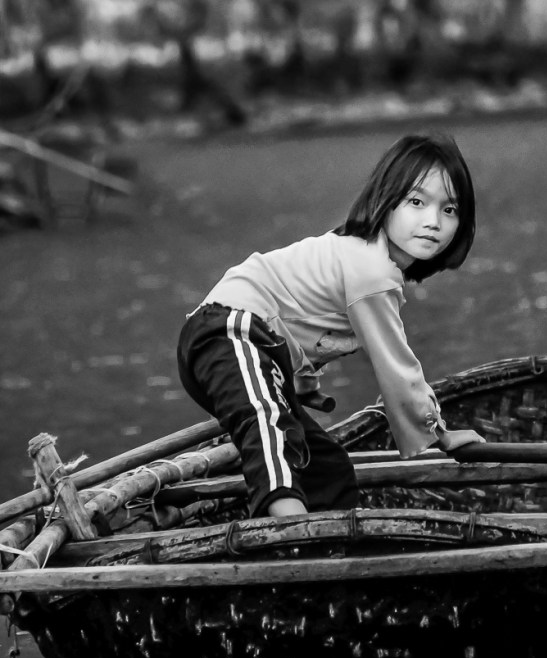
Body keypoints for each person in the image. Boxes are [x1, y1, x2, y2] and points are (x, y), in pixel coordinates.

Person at [177, 133, 485, 519]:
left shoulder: (369, 260)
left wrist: (299, 387)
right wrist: (439, 433)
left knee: (326, 469)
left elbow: (299, 321)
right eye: (417, 203)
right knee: (274, 444)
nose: (433, 222)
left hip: (245, 346)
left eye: (450, 209)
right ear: (384, 202)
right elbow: (396, 366)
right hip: (229, 332)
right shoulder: (372, 272)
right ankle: (292, 539)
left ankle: (327, 549)